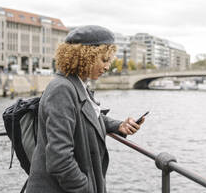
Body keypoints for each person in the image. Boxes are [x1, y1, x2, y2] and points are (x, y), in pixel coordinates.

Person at [26, 25, 144, 193]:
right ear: (84, 57)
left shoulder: (76, 84)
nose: (108, 66)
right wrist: (86, 187)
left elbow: (87, 116)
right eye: (104, 60)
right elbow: (59, 159)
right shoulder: (62, 89)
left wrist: (119, 126)